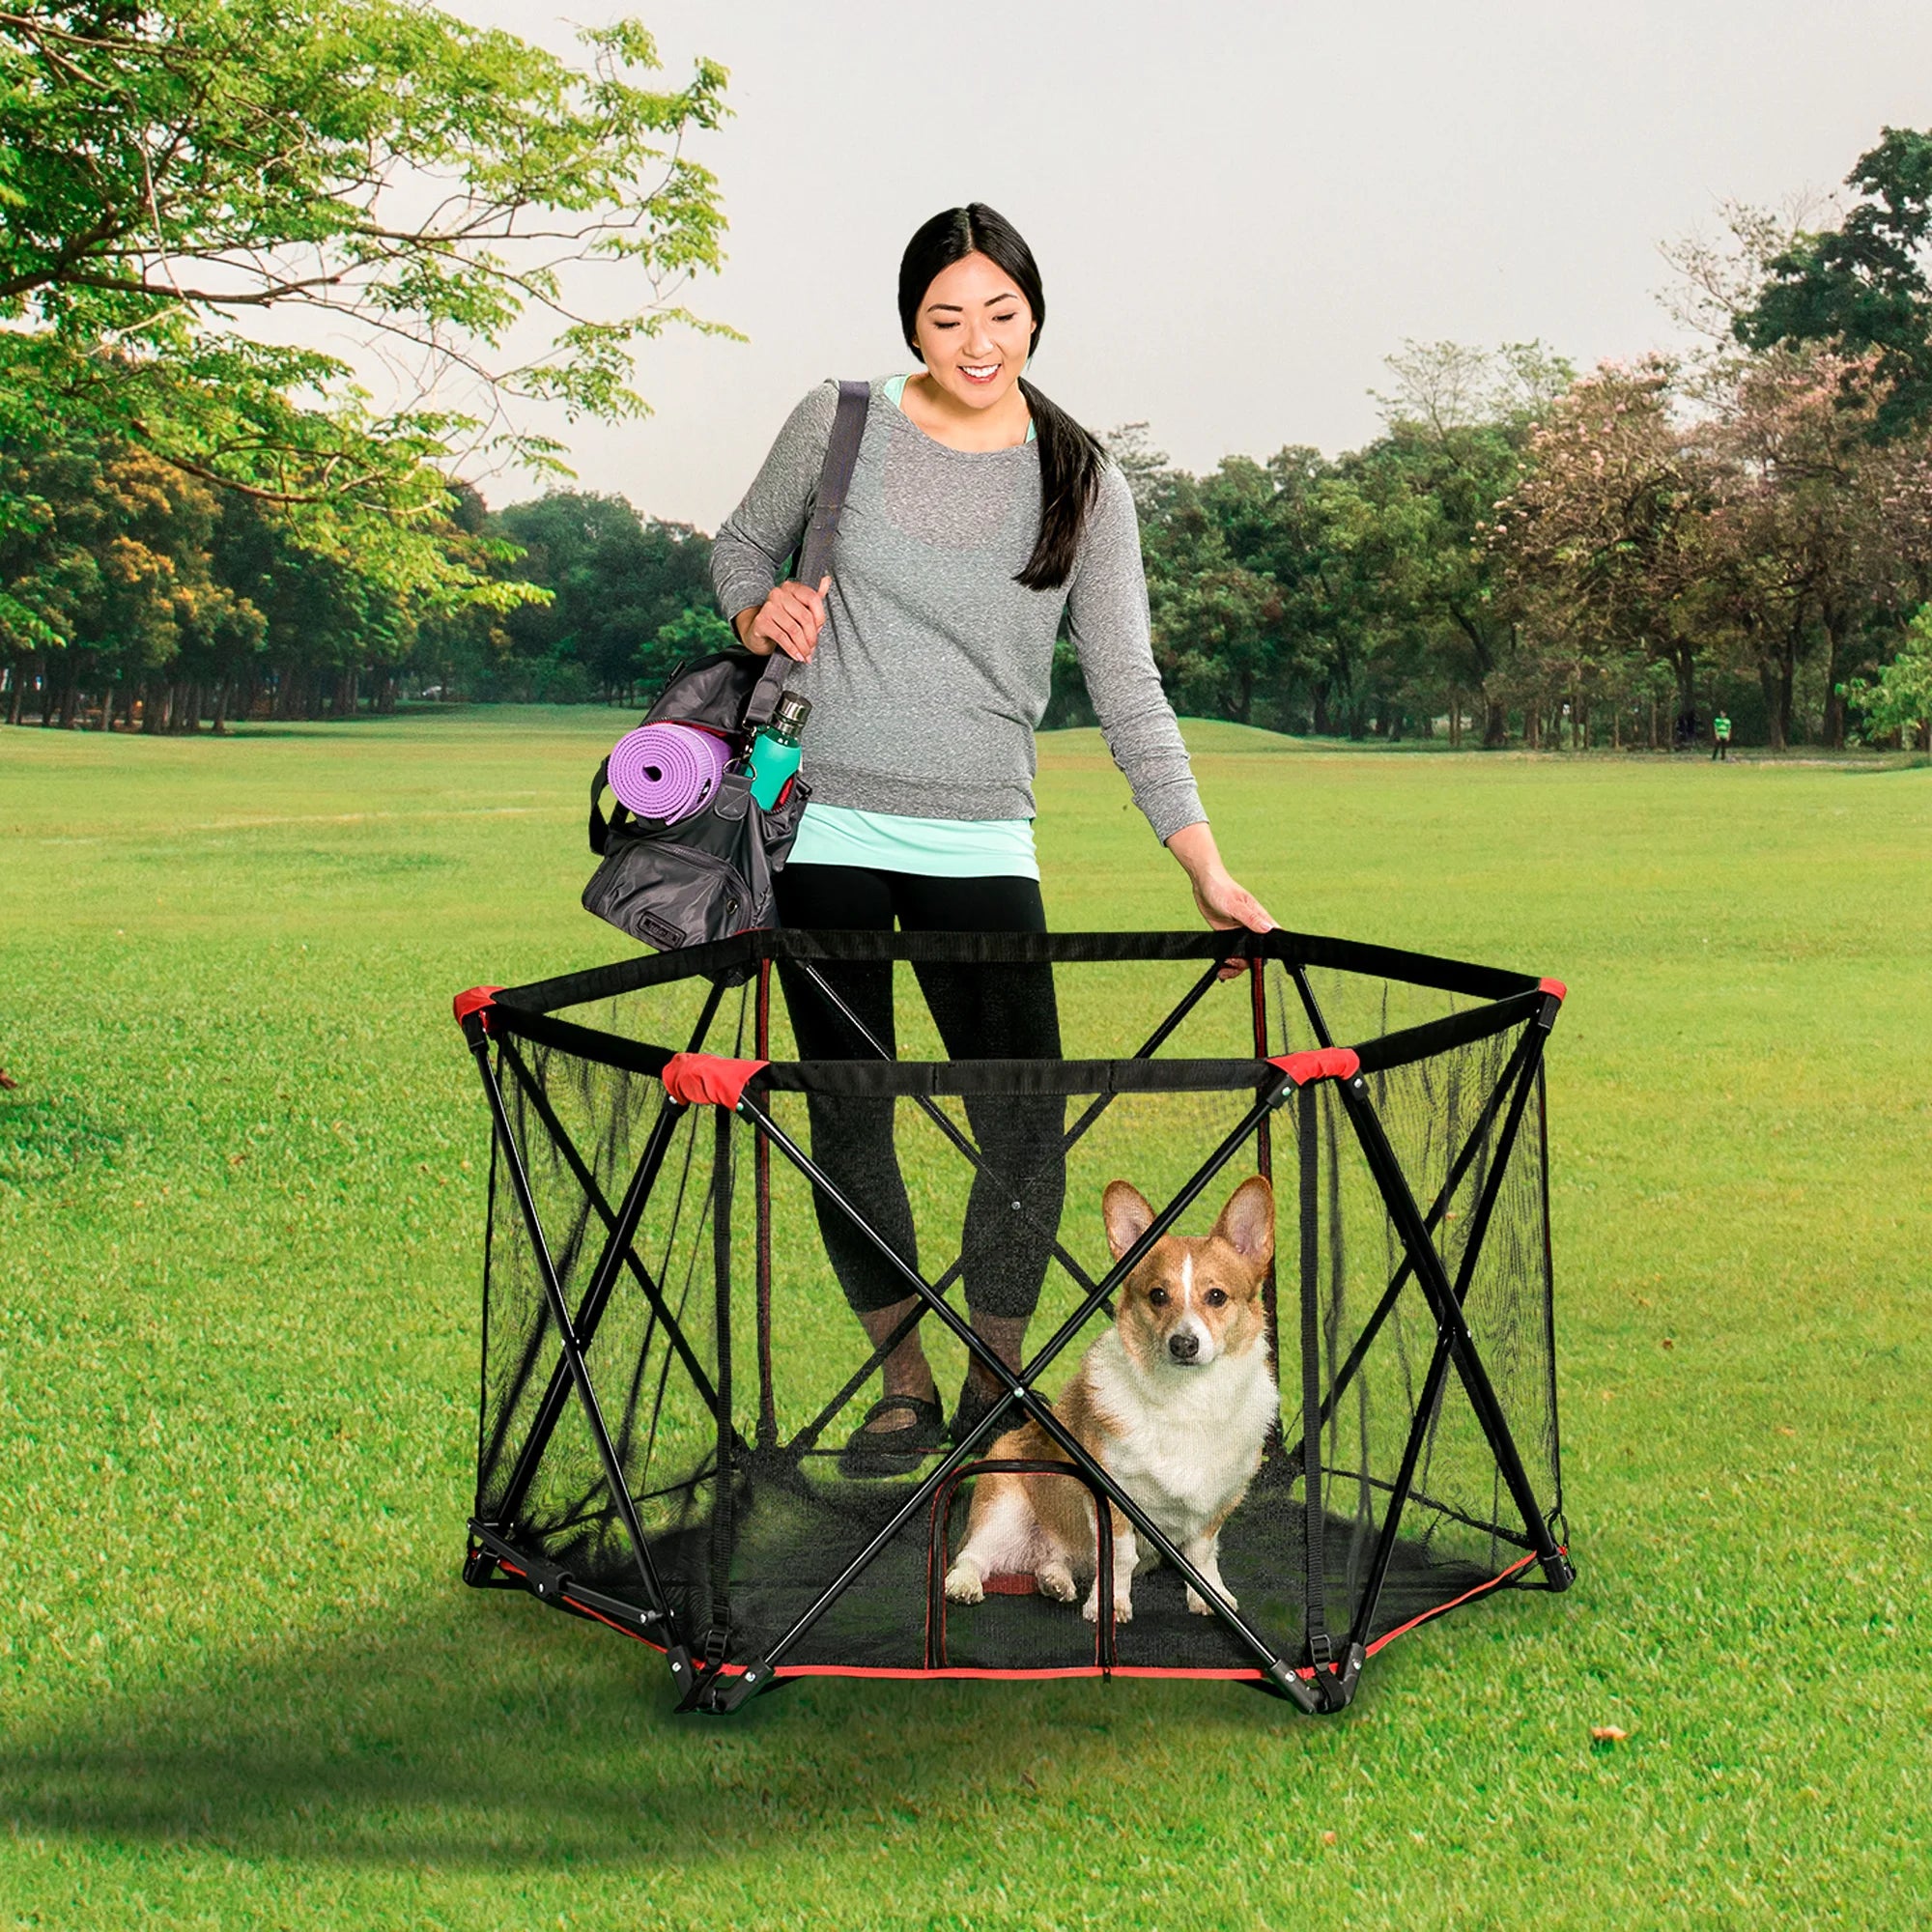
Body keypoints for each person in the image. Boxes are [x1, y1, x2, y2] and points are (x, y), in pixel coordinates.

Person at [710, 203, 1272, 1474]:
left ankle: (992, 1387)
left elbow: (1127, 684)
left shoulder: (1081, 476)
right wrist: (762, 611)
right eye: (945, 316)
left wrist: (1204, 863)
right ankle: (902, 1387)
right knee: (852, 1115)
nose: (975, 341)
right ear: (911, 318)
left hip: (982, 842)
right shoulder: (839, 423)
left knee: (1025, 1126)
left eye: (1000, 314)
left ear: (1035, 310)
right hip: (822, 825)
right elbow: (737, 550)